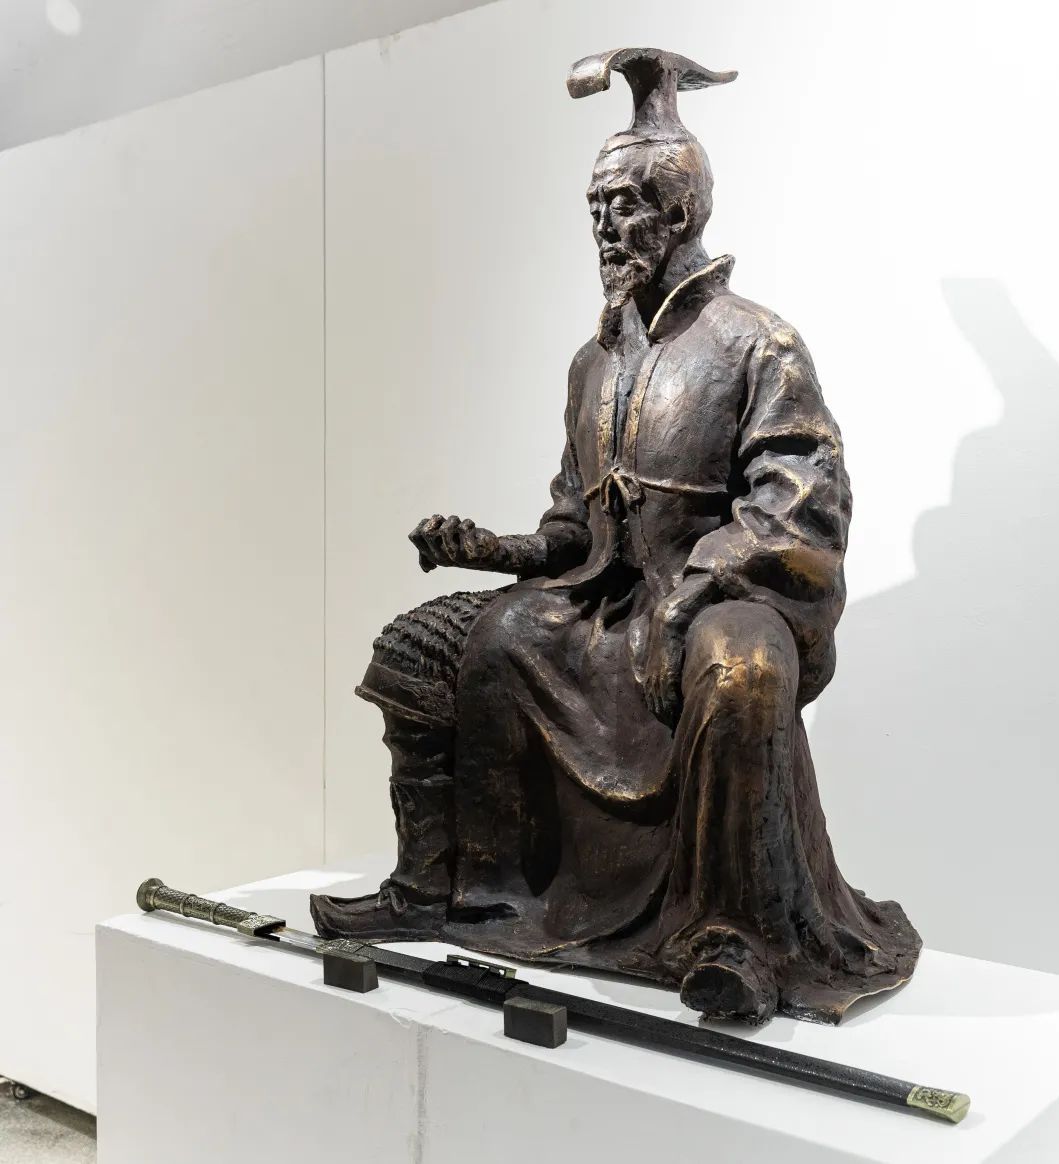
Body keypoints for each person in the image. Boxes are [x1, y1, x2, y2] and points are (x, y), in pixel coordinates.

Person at [312, 48, 920, 1024]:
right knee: (433, 645)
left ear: (679, 215)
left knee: (740, 672)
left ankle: (732, 938)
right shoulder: (593, 363)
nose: (603, 227)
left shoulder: (757, 343)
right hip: (609, 608)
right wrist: (495, 550)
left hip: (726, 596)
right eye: (594, 208)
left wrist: (694, 595)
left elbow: (798, 506)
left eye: (624, 207)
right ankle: (450, 888)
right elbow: (573, 525)